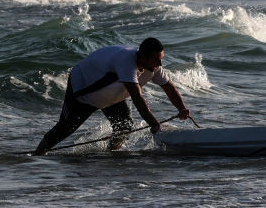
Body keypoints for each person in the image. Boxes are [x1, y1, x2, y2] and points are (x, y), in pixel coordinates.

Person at [34, 37, 190, 155]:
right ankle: (37, 156)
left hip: (112, 95)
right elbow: (137, 97)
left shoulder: (153, 66)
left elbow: (168, 87)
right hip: (83, 91)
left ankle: (111, 154)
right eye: (156, 60)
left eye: (161, 59)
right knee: (64, 129)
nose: (160, 64)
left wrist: (182, 108)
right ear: (143, 56)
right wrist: (155, 125)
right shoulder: (126, 61)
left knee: (124, 126)